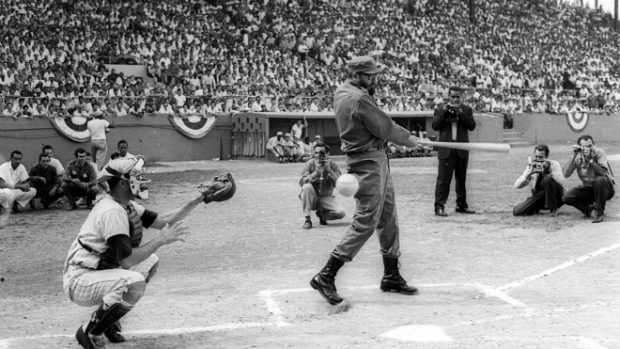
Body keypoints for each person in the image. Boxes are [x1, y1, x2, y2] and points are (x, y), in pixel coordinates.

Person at [62, 158, 234, 349]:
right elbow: (127, 262)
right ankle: (90, 331)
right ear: (122, 182)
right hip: (81, 280)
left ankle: (107, 321)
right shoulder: (112, 212)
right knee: (134, 283)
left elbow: (163, 221)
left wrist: (198, 199)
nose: (141, 178)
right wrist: (161, 239)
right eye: (135, 175)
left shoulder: (125, 204)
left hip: (99, 270)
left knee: (150, 262)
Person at [310, 56, 419, 306]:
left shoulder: (342, 91)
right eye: (370, 76)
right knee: (366, 221)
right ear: (358, 75)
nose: (374, 79)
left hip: (376, 160)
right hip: (369, 164)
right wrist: (409, 139)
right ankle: (326, 274)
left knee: (388, 217)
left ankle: (391, 274)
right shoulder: (360, 98)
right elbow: (385, 127)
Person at [431, 86, 476, 217]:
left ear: (461, 97)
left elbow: (471, 126)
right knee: (443, 180)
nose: (455, 99)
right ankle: (439, 206)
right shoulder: (440, 109)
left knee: (461, 180)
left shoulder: (466, 109)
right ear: (448, 97)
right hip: (446, 150)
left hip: (461, 149)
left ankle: (461, 205)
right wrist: (445, 112)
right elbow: (435, 126)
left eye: (458, 97)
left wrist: (461, 113)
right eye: (453, 96)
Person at [562, 135, 615, 223]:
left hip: (606, 189)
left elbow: (603, 173)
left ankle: (599, 213)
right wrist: (573, 156)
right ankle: (589, 210)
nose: (587, 149)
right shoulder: (578, 157)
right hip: (590, 189)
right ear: (580, 148)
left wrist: (591, 160)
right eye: (584, 147)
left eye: (590, 146)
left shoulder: (599, 153)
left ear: (593, 145)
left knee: (600, 180)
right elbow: (566, 175)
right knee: (567, 197)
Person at [299, 142, 345, 229]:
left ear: (327, 154)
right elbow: (302, 182)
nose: (318, 155)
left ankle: (322, 215)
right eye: (316, 153)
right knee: (306, 187)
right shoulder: (310, 164)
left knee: (341, 212)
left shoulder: (333, 165)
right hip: (313, 198)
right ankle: (307, 219)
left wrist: (330, 170)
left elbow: (339, 184)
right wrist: (316, 173)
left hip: (326, 197)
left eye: (321, 153)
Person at [513, 144, 564, 216]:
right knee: (517, 211)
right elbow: (517, 185)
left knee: (548, 179)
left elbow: (561, 181)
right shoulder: (532, 166)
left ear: (546, 157)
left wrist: (550, 172)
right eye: (536, 156)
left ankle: (553, 209)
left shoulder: (553, 164)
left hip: (555, 197)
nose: (538, 159)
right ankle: (536, 208)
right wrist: (529, 173)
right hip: (540, 196)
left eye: (541, 157)